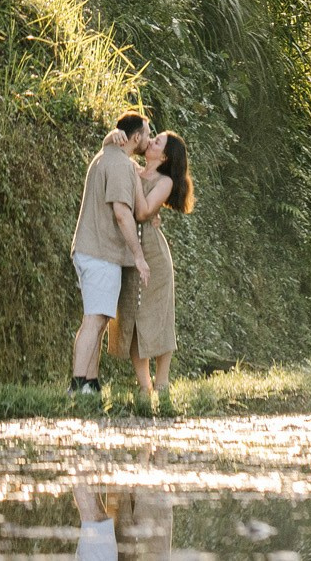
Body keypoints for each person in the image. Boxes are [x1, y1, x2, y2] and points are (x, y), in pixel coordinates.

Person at [107, 129, 194, 404]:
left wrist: (134, 178)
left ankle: (163, 381)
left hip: (154, 256)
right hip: (131, 255)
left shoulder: (164, 181)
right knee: (132, 314)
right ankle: (144, 386)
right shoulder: (132, 168)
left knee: (160, 315)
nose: (151, 141)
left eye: (157, 142)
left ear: (164, 155)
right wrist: (114, 136)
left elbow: (143, 213)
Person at [69, 113, 151, 394]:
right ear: (136, 137)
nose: (150, 140)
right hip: (99, 252)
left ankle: (90, 383)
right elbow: (122, 213)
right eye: (148, 135)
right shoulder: (118, 164)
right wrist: (139, 256)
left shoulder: (110, 156)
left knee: (99, 318)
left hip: (96, 251)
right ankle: (78, 385)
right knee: (94, 320)